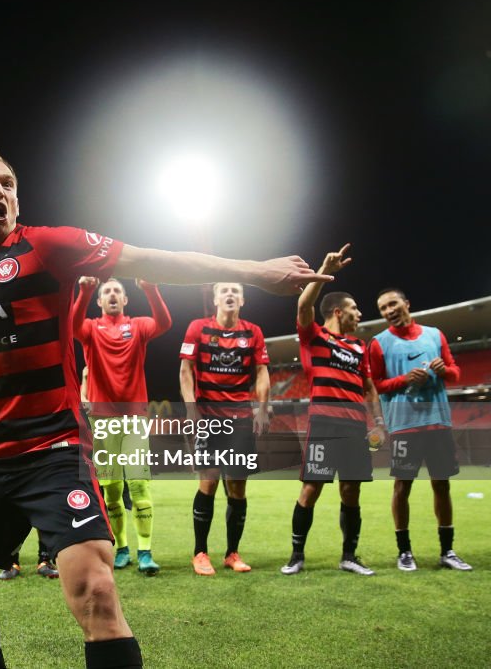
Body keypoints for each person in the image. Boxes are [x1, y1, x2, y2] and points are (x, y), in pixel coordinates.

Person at [0, 149, 327, 668]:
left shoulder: (48, 245)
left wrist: (258, 272)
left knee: (96, 593)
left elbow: (149, 260)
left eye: (8, 183)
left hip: (54, 448)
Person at [279, 244, 385, 576]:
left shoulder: (359, 346)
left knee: (351, 490)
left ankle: (349, 556)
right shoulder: (315, 336)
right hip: (324, 423)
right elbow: (303, 303)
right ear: (338, 311)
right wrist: (323, 271)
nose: (360, 314)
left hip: (356, 427)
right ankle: (296, 555)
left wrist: (378, 421)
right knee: (311, 488)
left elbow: (368, 387)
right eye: (355, 308)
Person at [72, 275, 171, 575]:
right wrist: (85, 291)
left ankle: (145, 551)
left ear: (125, 300)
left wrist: (151, 287)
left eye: (117, 291)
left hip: (134, 420)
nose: (112, 294)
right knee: (112, 489)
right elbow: (73, 325)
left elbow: (164, 323)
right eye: (107, 292)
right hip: (103, 423)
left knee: (138, 484)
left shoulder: (138, 326)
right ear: (100, 301)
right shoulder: (90, 328)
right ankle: (122, 548)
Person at [369, 288, 472, 571]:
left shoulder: (434, 335)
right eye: (383, 308)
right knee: (402, 487)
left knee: (442, 484)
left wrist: (443, 370)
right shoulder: (378, 343)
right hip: (403, 425)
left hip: (438, 421)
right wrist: (403, 379)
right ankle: (404, 552)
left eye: (392, 304)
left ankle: (447, 551)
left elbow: (455, 372)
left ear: (406, 303)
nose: (389, 310)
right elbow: (375, 384)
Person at [179, 282, 270, 576]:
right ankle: (200, 553)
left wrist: (262, 407)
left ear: (242, 299)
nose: (229, 294)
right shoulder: (197, 328)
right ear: (216, 298)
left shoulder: (253, 332)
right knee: (209, 482)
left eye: (235, 291)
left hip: (241, 418)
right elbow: (185, 370)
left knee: (238, 487)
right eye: (224, 290)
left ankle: (232, 553)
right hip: (209, 417)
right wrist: (192, 410)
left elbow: (262, 371)